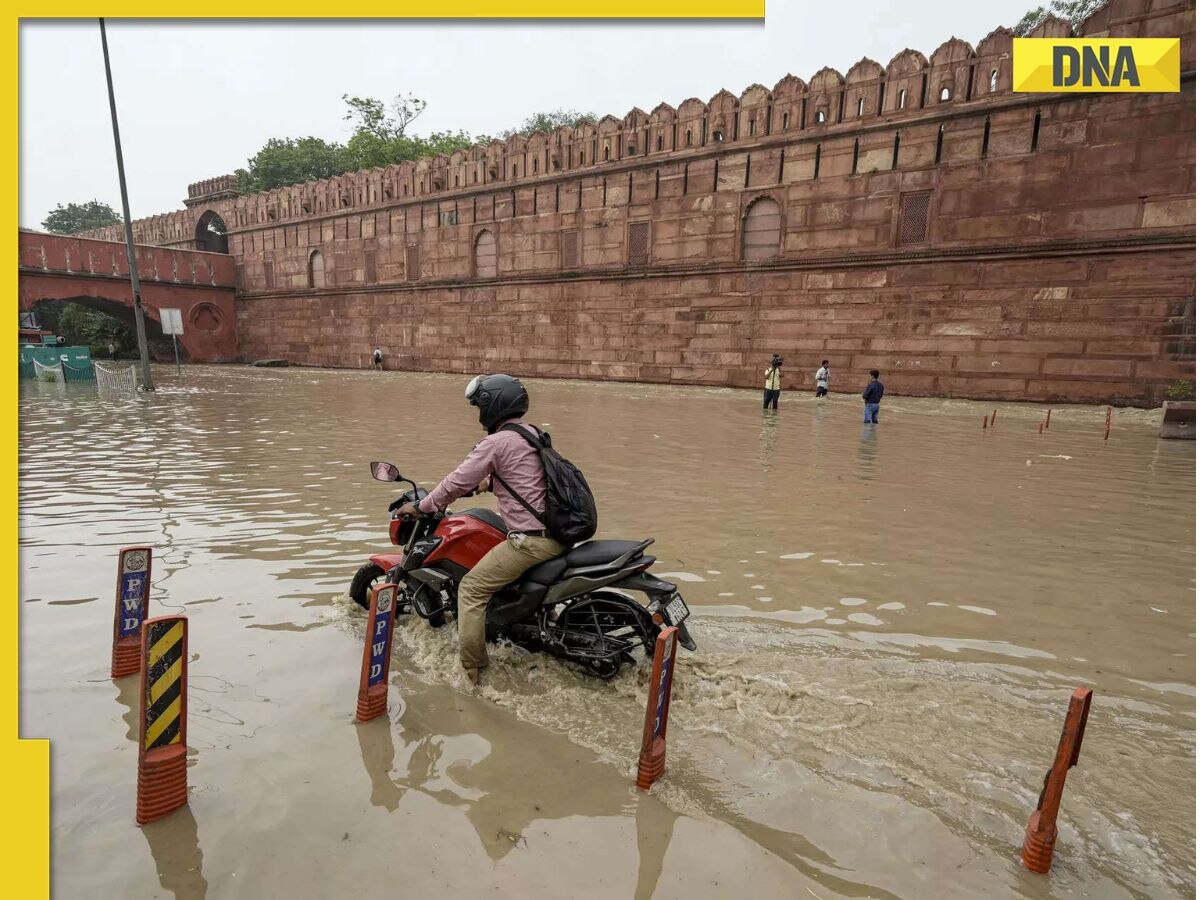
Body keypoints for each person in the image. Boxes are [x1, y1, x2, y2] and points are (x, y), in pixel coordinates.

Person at [395, 374, 564, 686]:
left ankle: (472, 671)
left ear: (493, 405)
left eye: (480, 407)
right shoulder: (531, 434)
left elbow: (456, 481)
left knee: (471, 590)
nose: (479, 414)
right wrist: (483, 486)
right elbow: (521, 478)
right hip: (557, 535)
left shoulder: (496, 442)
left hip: (531, 542)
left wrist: (422, 506)